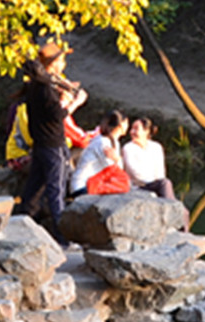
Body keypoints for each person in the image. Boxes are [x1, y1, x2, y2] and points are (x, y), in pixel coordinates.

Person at [17, 41, 83, 238]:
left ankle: (20, 228)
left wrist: (63, 93)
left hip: (41, 144)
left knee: (33, 191)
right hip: (52, 144)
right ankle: (62, 238)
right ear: (53, 64)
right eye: (61, 61)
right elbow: (57, 115)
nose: (64, 64)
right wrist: (74, 103)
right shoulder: (45, 87)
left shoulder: (37, 84)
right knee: (56, 191)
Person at [70, 111, 131, 198]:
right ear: (121, 125)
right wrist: (117, 159)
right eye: (127, 123)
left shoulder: (114, 142)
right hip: (82, 186)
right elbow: (115, 172)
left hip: (95, 183)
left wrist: (117, 159)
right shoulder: (103, 143)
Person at [122, 117, 176, 200]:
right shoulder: (128, 148)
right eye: (132, 129)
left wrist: (156, 182)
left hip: (155, 184)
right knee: (165, 184)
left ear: (146, 131)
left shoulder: (156, 147)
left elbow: (160, 172)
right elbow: (135, 173)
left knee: (165, 183)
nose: (132, 132)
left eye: (136, 129)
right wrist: (153, 182)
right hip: (138, 186)